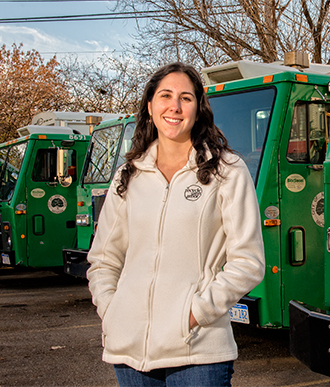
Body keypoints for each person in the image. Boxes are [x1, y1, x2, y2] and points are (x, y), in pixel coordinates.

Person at [86, 62, 266, 387]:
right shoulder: (128, 176)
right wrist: (113, 311)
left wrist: (195, 315)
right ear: (150, 107)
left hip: (197, 351)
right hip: (129, 349)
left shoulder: (227, 170)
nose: (175, 106)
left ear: (198, 109)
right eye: (165, 95)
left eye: (186, 98)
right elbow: (103, 259)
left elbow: (248, 262)